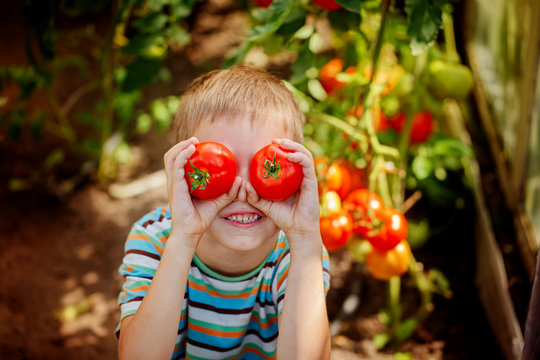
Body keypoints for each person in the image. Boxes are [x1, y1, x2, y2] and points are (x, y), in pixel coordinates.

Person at [116, 66, 331, 360]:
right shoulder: (155, 238)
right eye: (218, 167)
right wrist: (182, 240)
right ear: (182, 172)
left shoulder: (298, 254)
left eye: (266, 167)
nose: (242, 192)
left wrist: (306, 241)